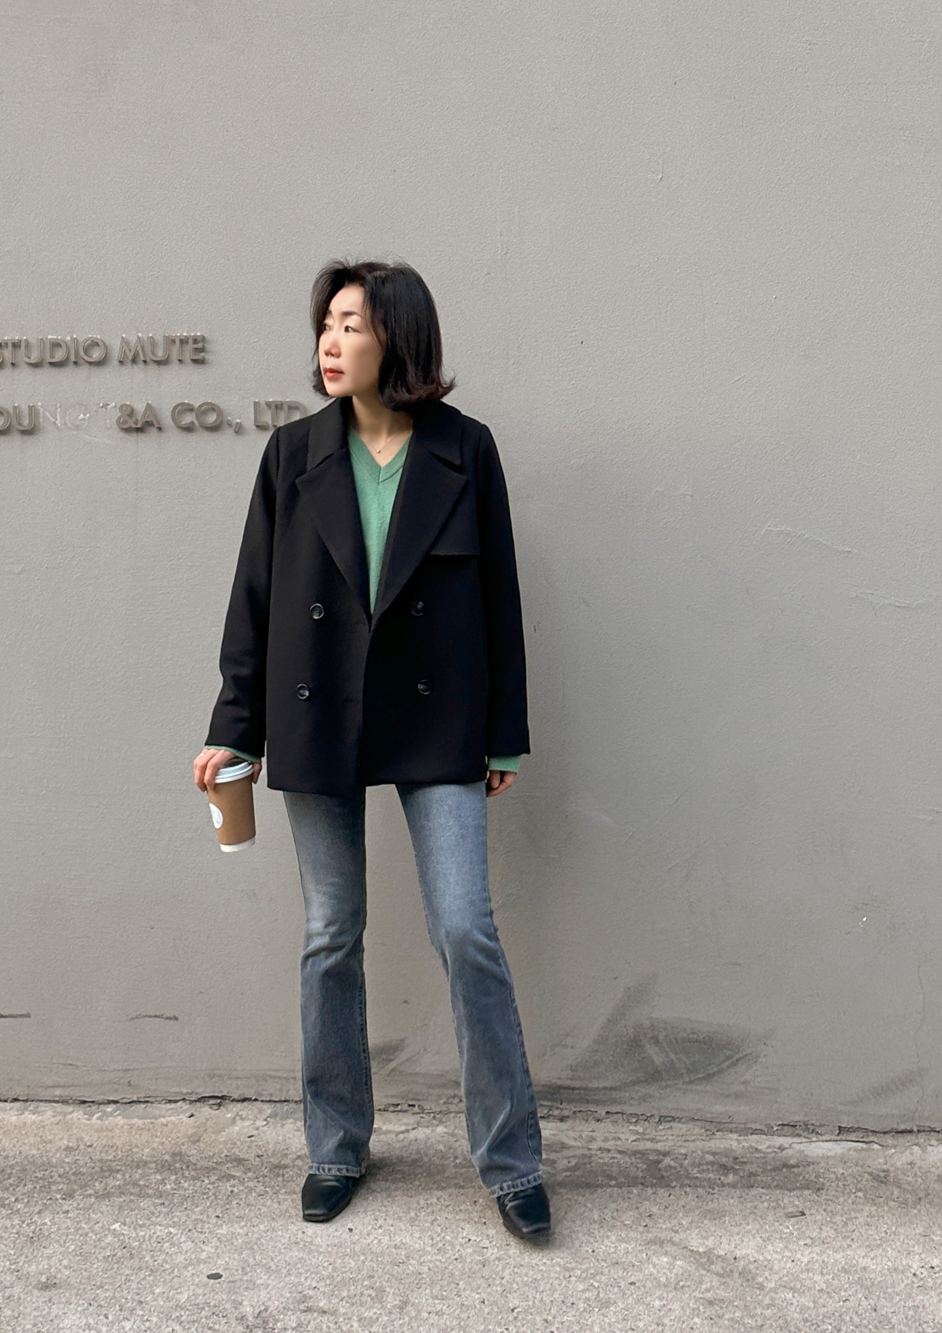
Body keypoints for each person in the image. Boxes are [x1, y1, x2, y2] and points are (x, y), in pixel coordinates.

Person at [193, 259, 548, 1240]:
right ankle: (337, 1147)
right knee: (330, 933)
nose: (330, 340)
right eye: (327, 323)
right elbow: (254, 598)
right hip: (318, 708)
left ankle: (512, 1161)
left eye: (351, 323)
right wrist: (233, 726)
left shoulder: (465, 449)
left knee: (465, 929)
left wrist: (505, 732)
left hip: (440, 717)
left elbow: (501, 598)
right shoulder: (292, 453)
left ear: (399, 337)